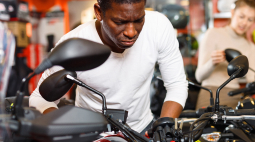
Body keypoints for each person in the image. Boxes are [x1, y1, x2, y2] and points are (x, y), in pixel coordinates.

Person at [29, 0, 188, 134]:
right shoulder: (74, 44)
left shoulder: (158, 27)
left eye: (139, 20)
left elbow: (176, 84)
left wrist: (163, 127)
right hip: (90, 133)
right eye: (120, 22)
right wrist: (66, 130)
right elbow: (40, 98)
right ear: (99, 12)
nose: (131, 32)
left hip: (141, 129)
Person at [195, 0, 255, 110]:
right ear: (232, 13)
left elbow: (252, 80)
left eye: (250, 20)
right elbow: (199, 77)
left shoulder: (250, 47)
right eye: (241, 17)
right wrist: (212, 63)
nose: (244, 23)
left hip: (235, 97)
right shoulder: (213, 34)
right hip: (211, 95)